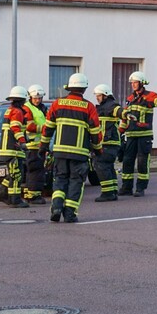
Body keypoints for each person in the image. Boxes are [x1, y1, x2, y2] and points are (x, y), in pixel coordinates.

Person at [39, 73, 103, 223]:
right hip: (79, 154)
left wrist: (43, 146)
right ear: (84, 88)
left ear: (69, 87)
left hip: (60, 152)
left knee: (60, 179)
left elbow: (47, 128)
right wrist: (98, 149)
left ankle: (56, 207)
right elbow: (95, 132)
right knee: (76, 181)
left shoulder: (57, 104)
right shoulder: (89, 107)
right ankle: (69, 213)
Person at [118, 71, 157, 197]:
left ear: (142, 83)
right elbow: (125, 118)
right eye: (132, 82)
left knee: (142, 163)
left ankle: (140, 188)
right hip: (131, 136)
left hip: (144, 136)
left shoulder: (149, 96)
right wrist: (120, 131)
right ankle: (126, 187)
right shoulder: (130, 99)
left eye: (135, 82)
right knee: (127, 161)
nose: (133, 84)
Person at [0, 86, 30, 208]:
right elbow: (15, 128)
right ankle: (15, 200)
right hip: (13, 149)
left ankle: (3, 194)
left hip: (7, 148)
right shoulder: (17, 112)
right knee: (17, 174)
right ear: (22, 100)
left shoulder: (9, 110)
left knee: (12, 173)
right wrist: (22, 142)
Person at [92, 84, 123, 202]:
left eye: (99, 96)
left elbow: (118, 110)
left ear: (105, 95)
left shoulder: (110, 105)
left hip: (108, 142)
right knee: (108, 166)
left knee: (101, 165)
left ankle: (107, 192)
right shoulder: (103, 107)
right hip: (110, 142)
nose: (97, 98)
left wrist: (126, 114)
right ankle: (113, 190)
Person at [22, 84, 48, 204]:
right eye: (35, 98)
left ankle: (31, 194)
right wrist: (46, 128)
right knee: (35, 170)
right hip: (32, 144)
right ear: (30, 97)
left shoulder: (41, 108)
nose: (37, 100)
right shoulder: (27, 108)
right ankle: (33, 196)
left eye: (39, 98)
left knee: (36, 170)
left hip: (39, 144)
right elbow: (30, 126)